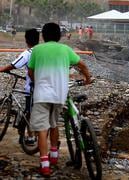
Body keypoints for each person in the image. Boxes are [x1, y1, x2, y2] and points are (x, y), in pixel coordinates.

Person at [27, 22, 91, 177]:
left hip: (42, 95)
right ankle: (54, 155)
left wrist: (38, 81)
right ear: (60, 36)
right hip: (59, 94)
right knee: (54, 124)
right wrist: (88, 77)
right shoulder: (66, 50)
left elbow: (30, 72)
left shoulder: (37, 50)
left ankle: (45, 164)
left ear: (43, 35)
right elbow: (82, 65)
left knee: (42, 129)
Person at [0, 28, 40, 144]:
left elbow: (14, 65)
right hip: (47, 86)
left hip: (33, 86)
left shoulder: (28, 53)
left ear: (26, 40)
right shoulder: (43, 51)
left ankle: (31, 136)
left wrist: (2, 69)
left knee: (30, 111)